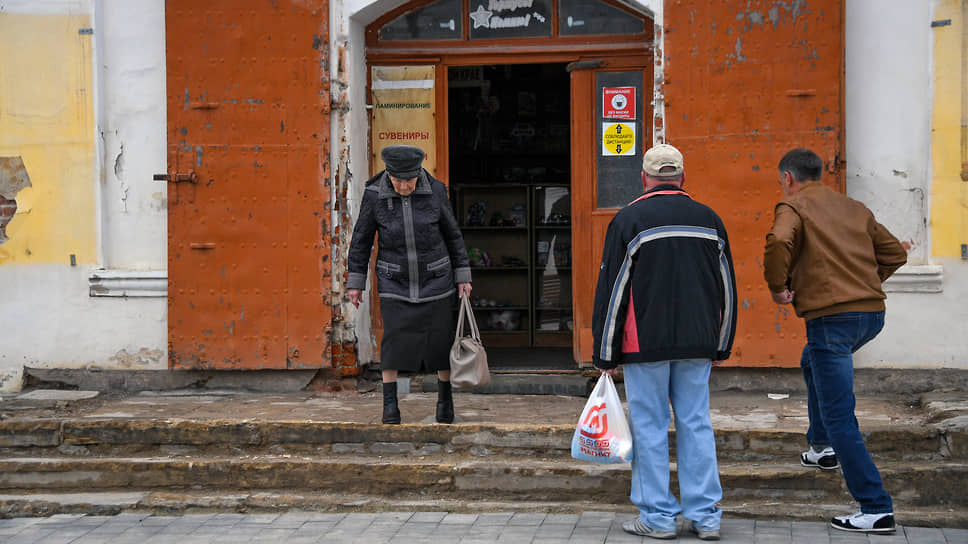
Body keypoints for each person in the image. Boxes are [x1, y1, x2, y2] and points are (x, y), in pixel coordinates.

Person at [592, 143, 737, 541]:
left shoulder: (629, 220)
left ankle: (657, 518)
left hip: (645, 346)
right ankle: (706, 517)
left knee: (650, 427)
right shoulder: (709, 220)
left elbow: (613, 290)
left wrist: (605, 354)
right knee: (696, 423)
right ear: (683, 178)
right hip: (697, 343)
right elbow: (727, 288)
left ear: (644, 178)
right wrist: (721, 344)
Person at [764, 148, 907, 534]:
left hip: (832, 320)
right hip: (870, 316)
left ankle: (876, 507)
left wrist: (778, 288)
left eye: (782, 182)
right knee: (812, 361)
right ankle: (821, 447)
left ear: (788, 179)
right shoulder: (853, 207)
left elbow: (778, 243)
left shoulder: (792, 207)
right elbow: (895, 254)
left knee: (841, 414)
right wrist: (866, 283)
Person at [346, 145, 472, 425]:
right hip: (395, 281)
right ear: (388, 174)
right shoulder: (374, 194)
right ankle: (390, 406)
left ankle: (445, 401)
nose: (403, 186)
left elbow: (453, 235)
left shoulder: (437, 191)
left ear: (418, 174)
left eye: (409, 181)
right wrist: (356, 282)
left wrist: (463, 274)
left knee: (439, 344)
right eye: (397, 180)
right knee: (392, 343)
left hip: (436, 279)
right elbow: (361, 240)